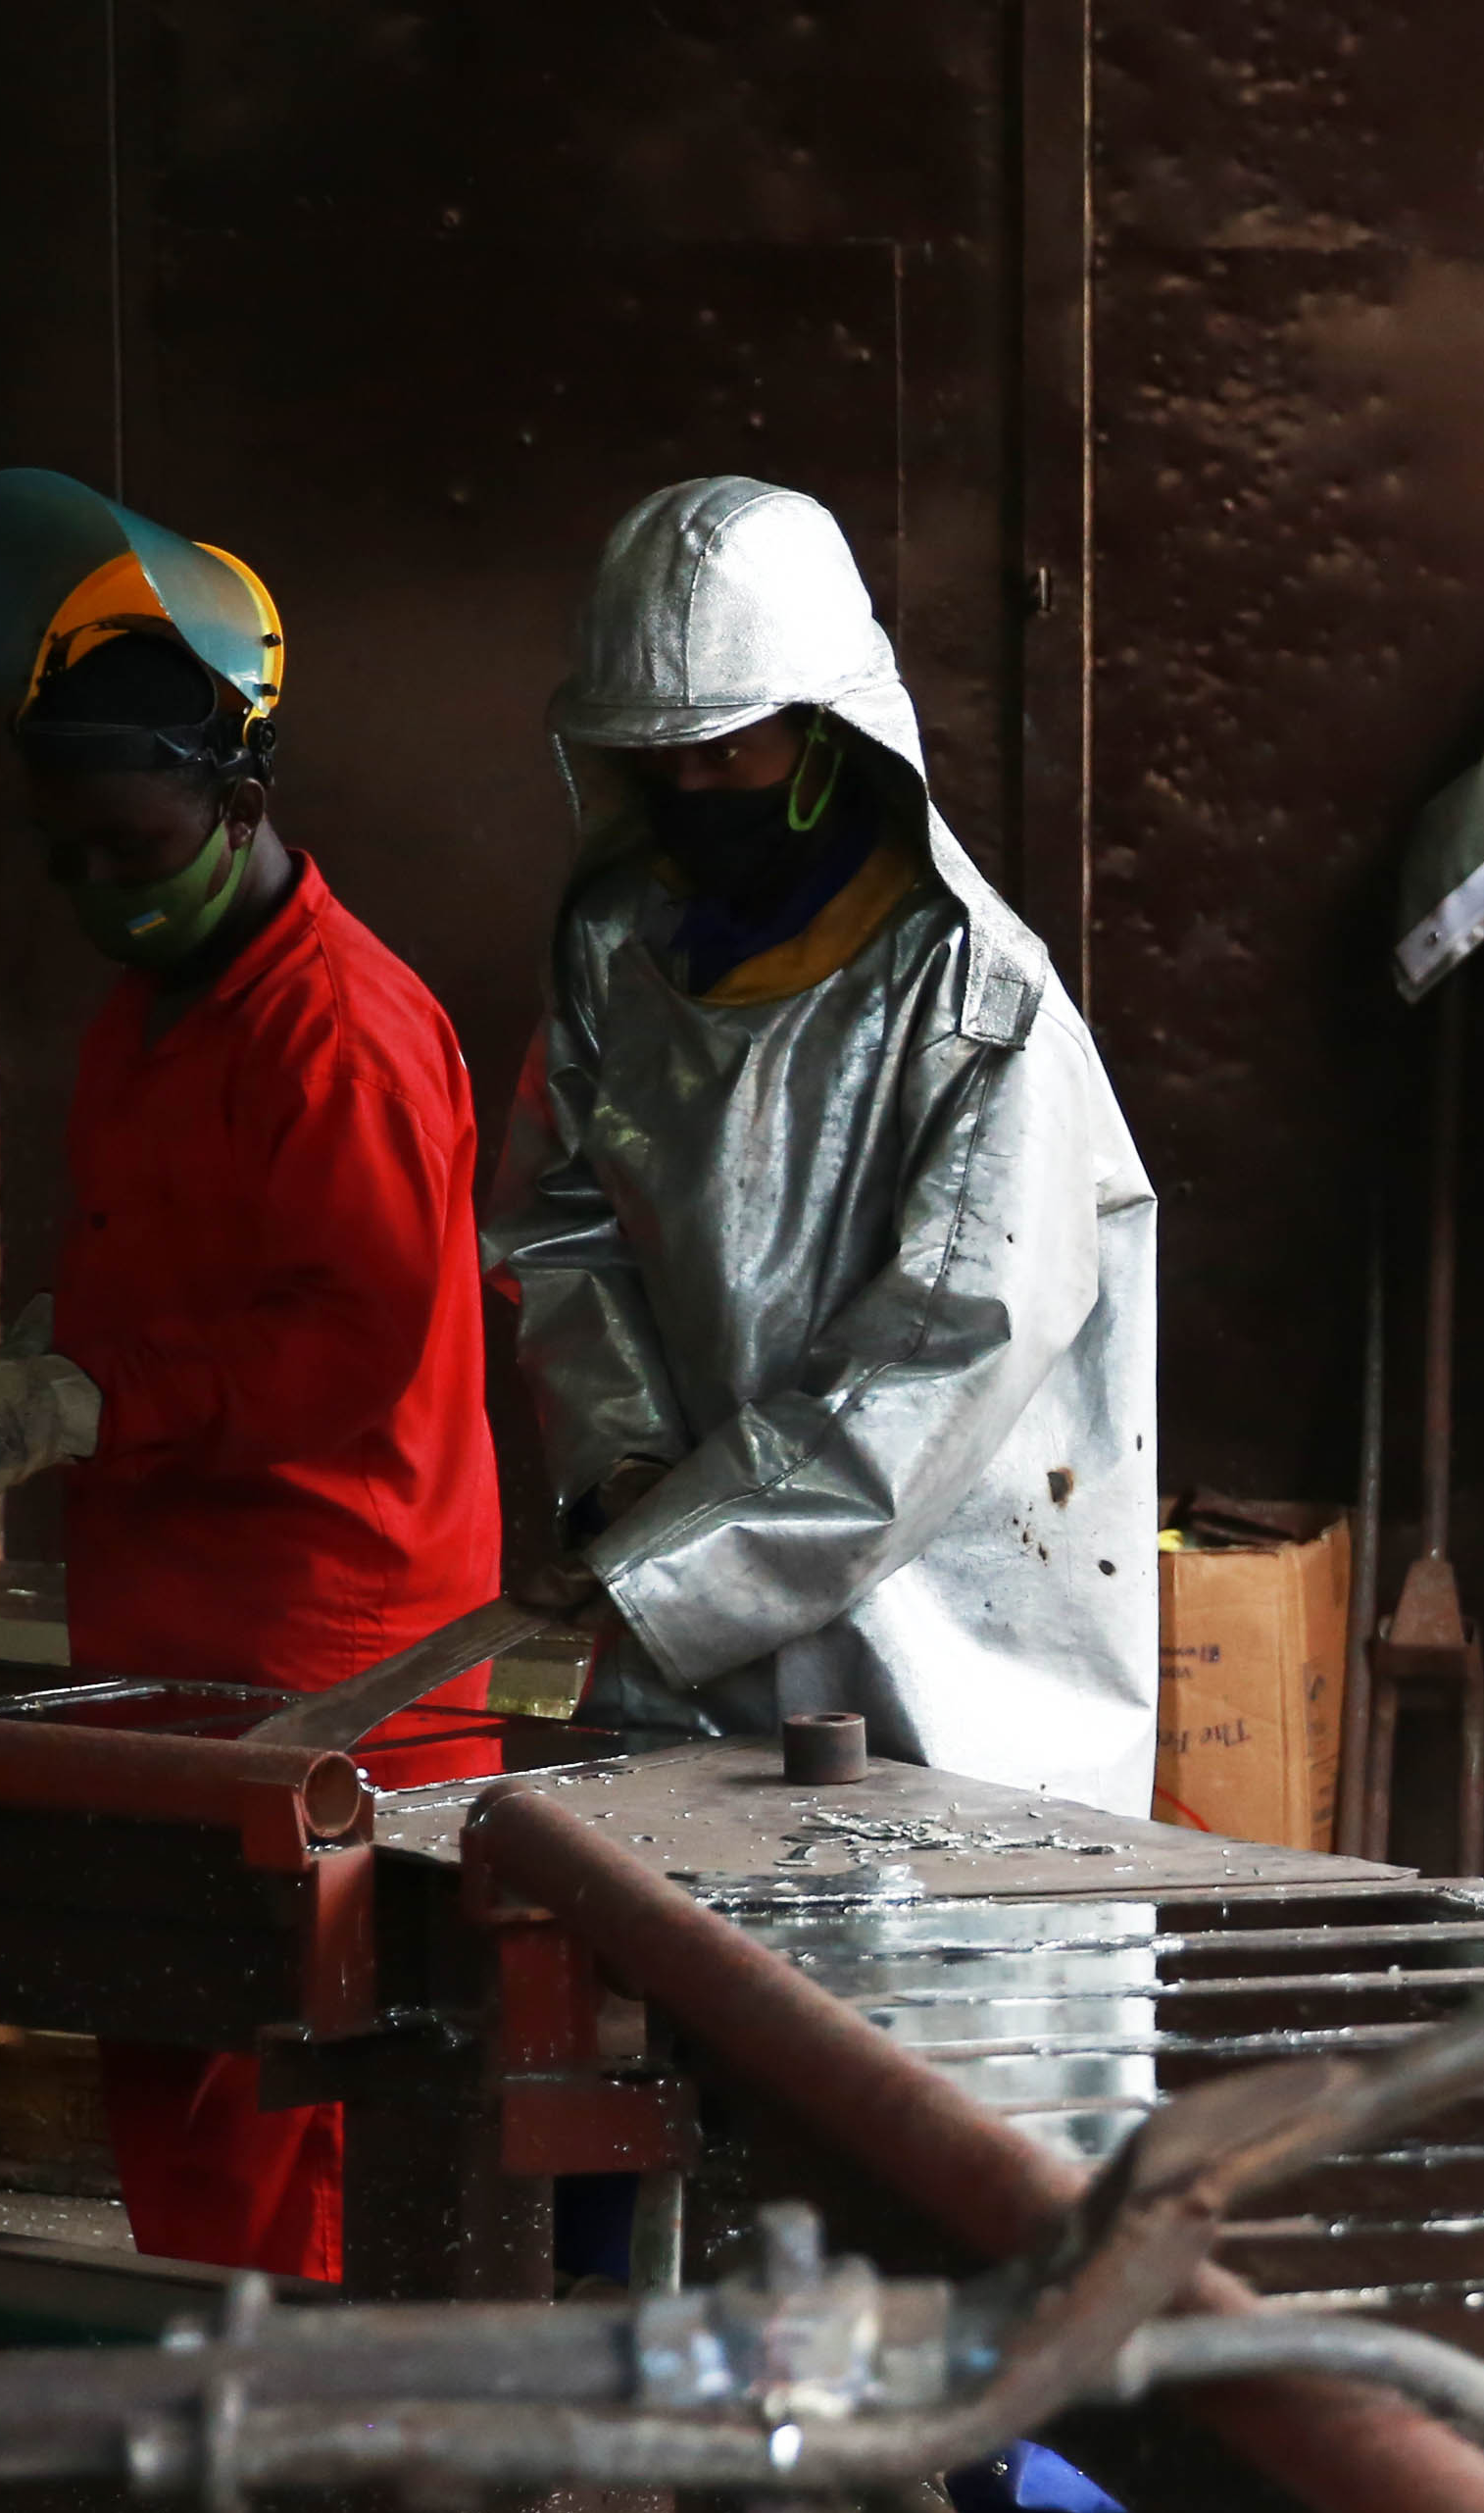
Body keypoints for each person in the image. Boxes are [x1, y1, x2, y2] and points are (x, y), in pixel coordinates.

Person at [0, 470, 497, 2286]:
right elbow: (182, 1278)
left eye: (131, 852)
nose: (99, 893)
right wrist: (21, 1355)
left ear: (241, 798)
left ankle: (328, 2497)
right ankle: (226, 2454)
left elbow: (354, 1347)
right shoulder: (157, 1013)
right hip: (176, 1641)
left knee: (302, 2088)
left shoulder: (344, 1031)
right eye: (70, 857)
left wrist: (78, 1408)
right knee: (183, 2065)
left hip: (332, 1656)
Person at [492, 478, 1156, 1810]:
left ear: (827, 736)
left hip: (948, 1706)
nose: (690, 790)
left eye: (726, 754)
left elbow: (938, 1360)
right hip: (684, 1677)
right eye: (657, 760)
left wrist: (669, 1559)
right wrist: (621, 1469)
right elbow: (565, 1226)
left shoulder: (976, 1008)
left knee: (897, 2018)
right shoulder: (620, 950)